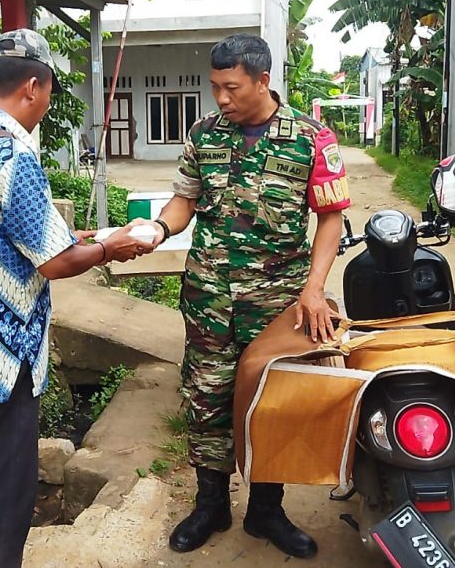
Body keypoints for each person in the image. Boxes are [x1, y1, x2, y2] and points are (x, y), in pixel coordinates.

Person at [0, 28, 151, 568]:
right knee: (7, 487)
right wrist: (109, 247)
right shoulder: (12, 156)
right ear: (32, 86)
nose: (46, 104)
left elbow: (2, 236)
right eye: (48, 92)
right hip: (4, 356)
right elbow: (54, 261)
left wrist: (87, 241)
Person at [133, 33, 352, 559]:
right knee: (206, 398)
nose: (222, 99)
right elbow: (186, 198)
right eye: (215, 88)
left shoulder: (312, 139)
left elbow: (330, 218)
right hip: (209, 294)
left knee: (271, 402)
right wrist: (159, 230)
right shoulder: (204, 134)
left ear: (262, 81)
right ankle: (211, 503)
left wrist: (314, 289)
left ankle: (266, 509)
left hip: (278, 302)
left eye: (231, 88)